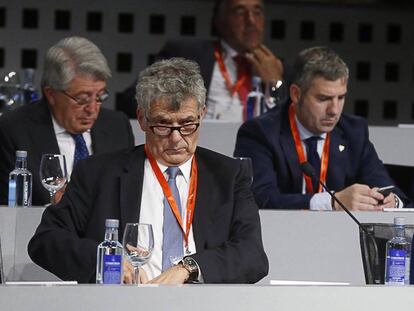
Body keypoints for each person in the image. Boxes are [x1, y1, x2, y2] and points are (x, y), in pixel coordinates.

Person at [28, 58, 268, 284]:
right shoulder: (98, 173)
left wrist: (188, 268)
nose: (176, 139)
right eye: (163, 125)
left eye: (187, 124)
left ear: (202, 115)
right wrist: (106, 259)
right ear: (142, 119)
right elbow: (46, 241)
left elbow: (252, 254)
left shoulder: (228, 175)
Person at [234, 46, 410, 211]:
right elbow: (260, 199)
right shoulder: (260, 132)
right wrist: (333, 201)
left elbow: (389, 188)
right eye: (323, 98)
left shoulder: (353, 131)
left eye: (340, 97)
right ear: (296, 94)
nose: (334, 110)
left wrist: (391, 201)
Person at [0, 36, 134, 206]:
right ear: (51, 94)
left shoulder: (117, 126)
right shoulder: (14, 130)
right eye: (82, 99)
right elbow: (6, 208)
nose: (92, 109)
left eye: (100, 96)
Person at [118, 0, 286, 121]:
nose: (251, 21)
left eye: (257, 12)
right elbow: (131, 101)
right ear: (219, 21)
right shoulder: (186, 54)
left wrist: (276, 84)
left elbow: (291, 126)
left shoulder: (277, 66)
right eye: (240, 12)